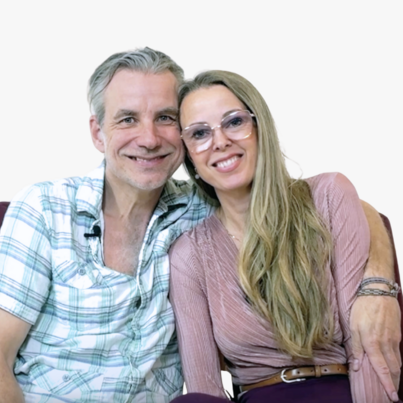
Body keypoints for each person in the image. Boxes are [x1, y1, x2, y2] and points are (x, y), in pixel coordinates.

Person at [0, 48, 399, 403]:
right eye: (127, 119)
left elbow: (330, 205)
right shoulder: (45, 208)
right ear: (98, 133)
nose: (149, 138)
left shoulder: (201, 210)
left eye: (164, 118)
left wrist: (378, 282)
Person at [169, 70, 401, 403]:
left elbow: (365, 348)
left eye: (234, 122)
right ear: (189, 154)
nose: (220, 142)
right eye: (200, 133)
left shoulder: (328, 196)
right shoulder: (189, 254)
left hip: (339, 393)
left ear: (259, 127)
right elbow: (204, 386)